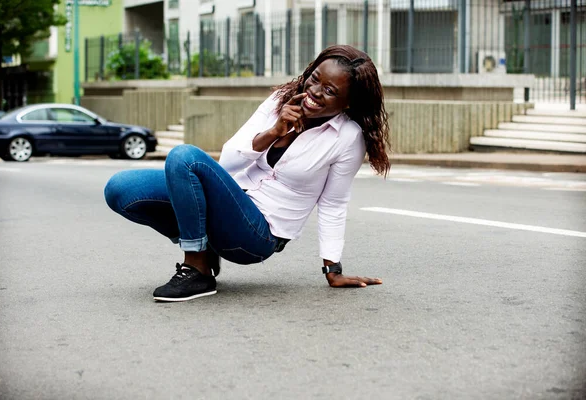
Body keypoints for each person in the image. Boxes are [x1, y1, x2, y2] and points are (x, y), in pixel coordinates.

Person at [104, 45, 391, 302]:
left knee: (185, 157)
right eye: (315, 79)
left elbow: (333, 204)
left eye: (330, 91)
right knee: (120, 189)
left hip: (257, 234)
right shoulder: (281, 100)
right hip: (231, 199)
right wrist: (273, 132)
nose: (315, 92)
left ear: (349, 103)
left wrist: (333, 269)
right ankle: (204, 249)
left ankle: (197, 268)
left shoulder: (348, 138)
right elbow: (228, 162)